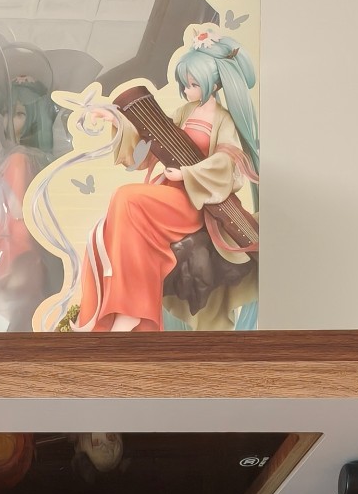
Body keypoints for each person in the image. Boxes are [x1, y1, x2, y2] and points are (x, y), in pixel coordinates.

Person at [73, 31, 259, 333]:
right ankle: (128, 310)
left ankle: (132, 310)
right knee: (109, 227)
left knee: (127, 198)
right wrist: (117, 120)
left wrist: (187, 174)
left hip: (192, 201)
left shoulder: (223, 120)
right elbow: (155, 140)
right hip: (167, 191)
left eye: (194, 84)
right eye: (185, 84)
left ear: (214, 83)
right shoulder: (185, 112)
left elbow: (228, 163)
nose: (187, 90)